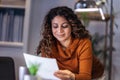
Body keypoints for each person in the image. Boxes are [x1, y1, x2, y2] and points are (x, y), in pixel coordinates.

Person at [36, 6, 104, 80]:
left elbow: (86, 77)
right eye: (55, 26)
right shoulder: (47, 43)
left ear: (72, 26)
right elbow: (47, 74)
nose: (59, 31)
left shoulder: (83, 43)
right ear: (50, 27)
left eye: (64, 26)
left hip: (93, 76)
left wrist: (72, 76)